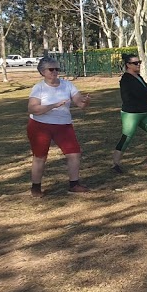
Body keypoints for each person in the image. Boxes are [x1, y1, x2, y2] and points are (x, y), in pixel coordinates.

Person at [26, 58, 91, 197]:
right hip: (40, 126)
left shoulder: (67, 85)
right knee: (40, 157)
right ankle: (36, 188)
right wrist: (53, 106)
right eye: (51, 69)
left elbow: (80, 103)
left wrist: (85, 102)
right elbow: (32, 109)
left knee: (74, 154)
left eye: (57, 69)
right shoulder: (39, 88)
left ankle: (74, 184)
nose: (55, 72)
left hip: (63, 125)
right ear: (43, 72)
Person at [112, 53, 147, 173]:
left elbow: (144, 88)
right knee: (127, 137)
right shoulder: (126, 80)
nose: (138, 65)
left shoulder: (138, 76)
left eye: (139, 62)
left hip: (143, 112)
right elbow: (134, 94)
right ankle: (115, 164)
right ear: (128, 65)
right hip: (131, 114)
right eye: (135, 63)